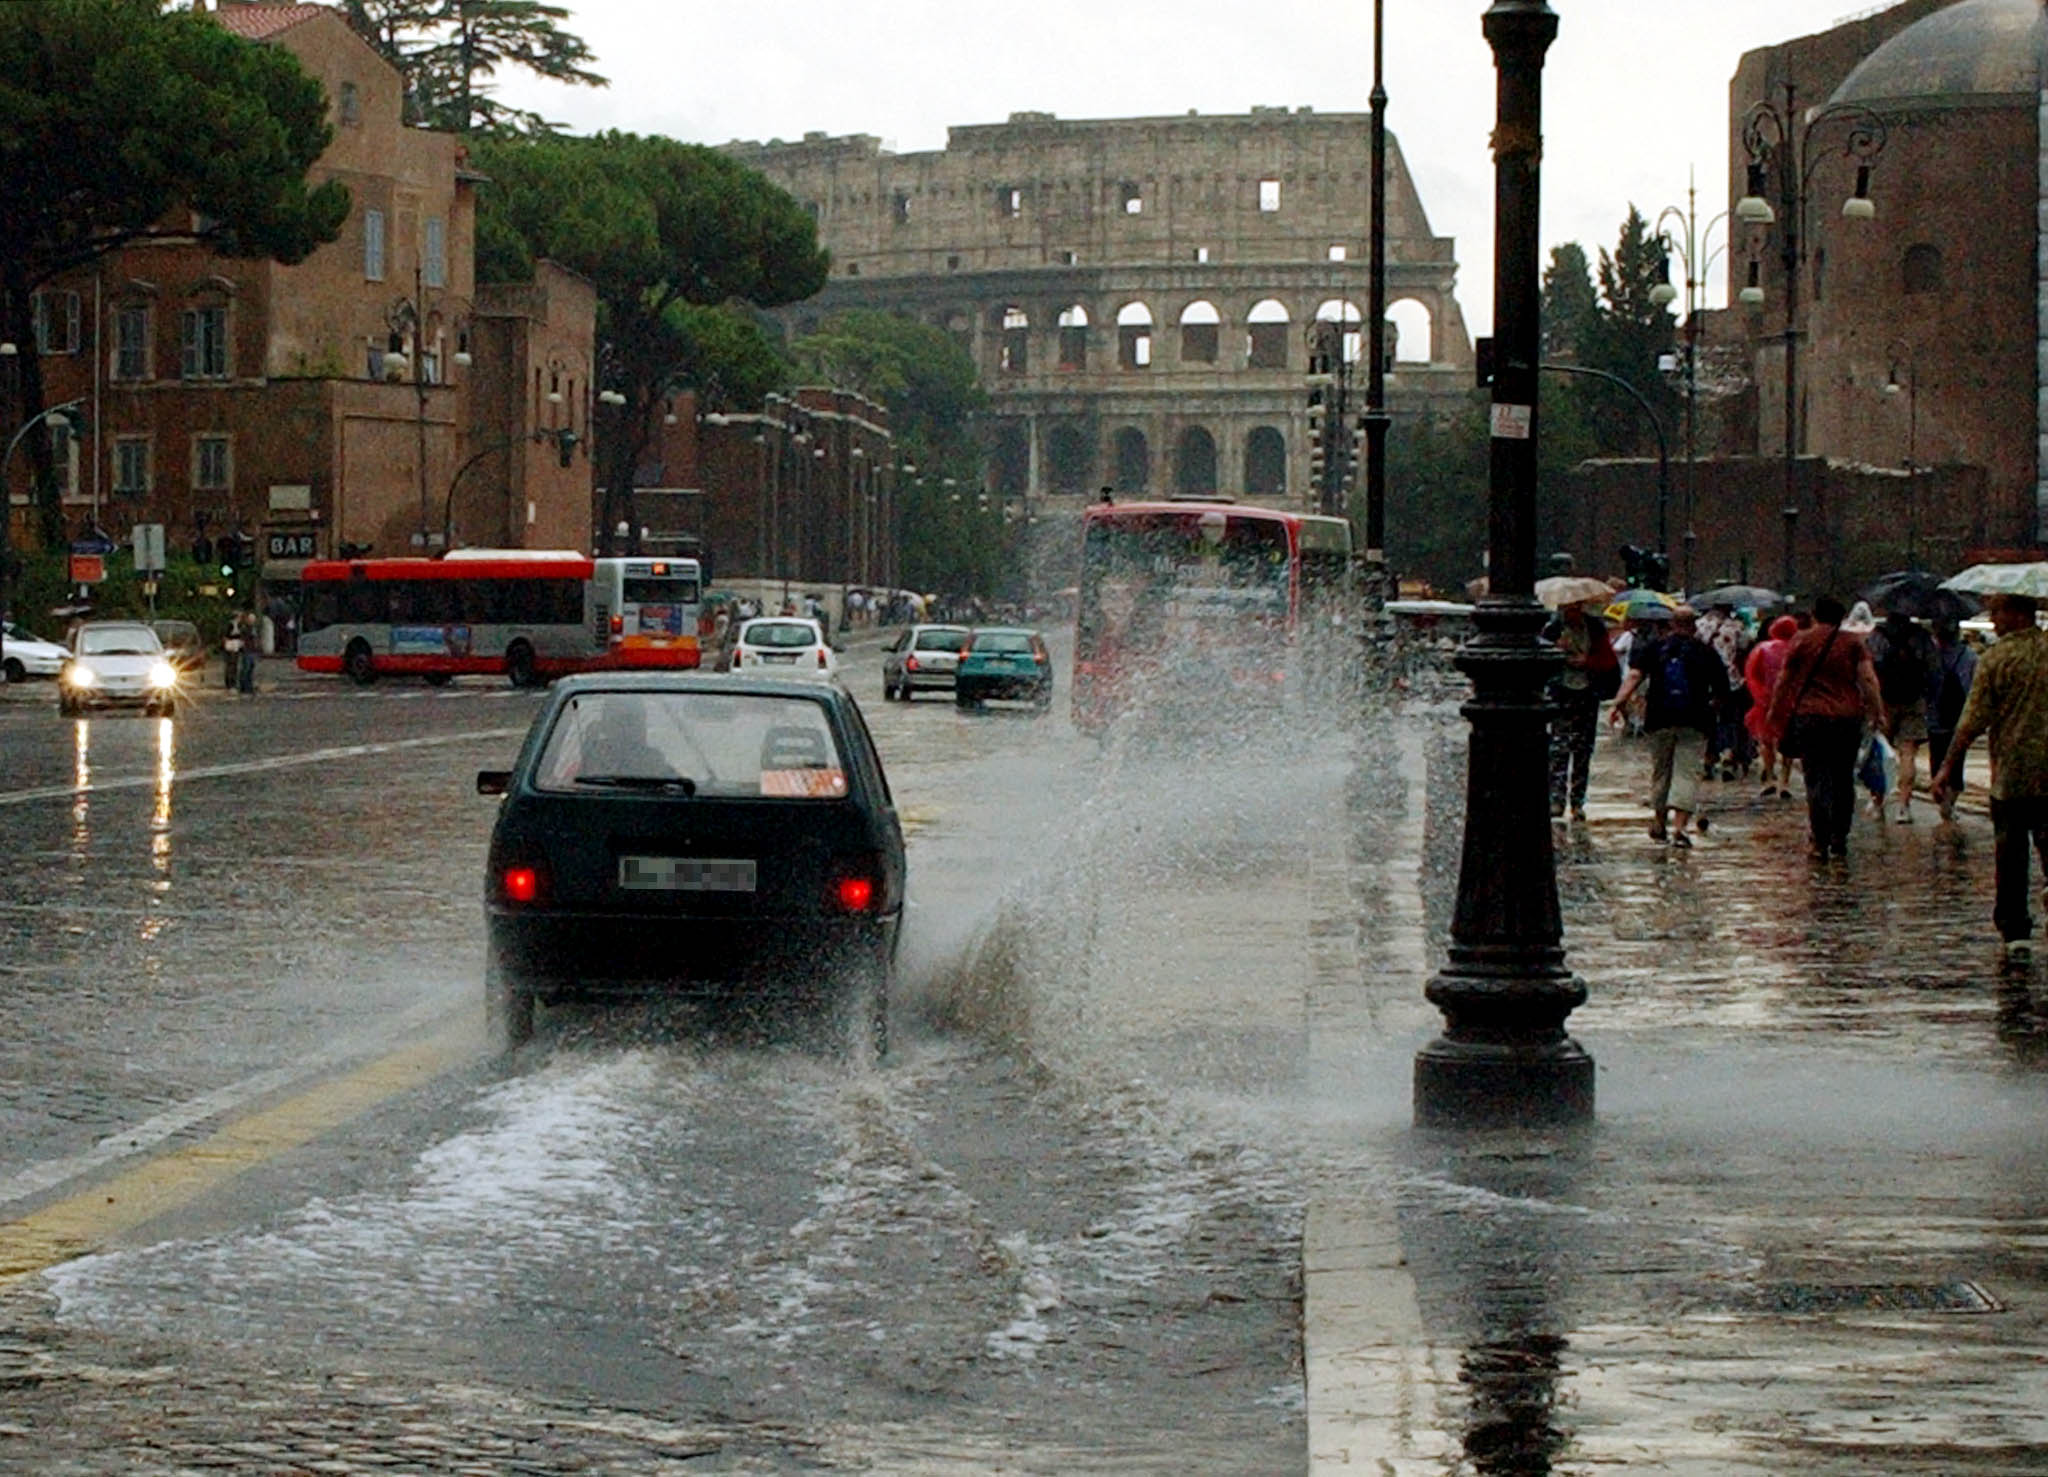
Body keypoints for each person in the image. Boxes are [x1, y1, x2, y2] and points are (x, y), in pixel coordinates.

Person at [1933, 594, 2048, 962]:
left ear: (2017, 614)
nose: (1993, 620)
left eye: (1997, 613)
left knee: (2011, 853)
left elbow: (1972, 719)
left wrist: (1948, 766)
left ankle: (2015, 929)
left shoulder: (1996, 659)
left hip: (2013, 774)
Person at [1764, 594, 1885, 860]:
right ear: (1842, 616)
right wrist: (1877, 712)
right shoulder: (1853, 644)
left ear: (1815, 614)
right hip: (1847, 717)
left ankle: (1819, 840)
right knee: (1843, 779)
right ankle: (1839, 837)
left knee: (1816, 778)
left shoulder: (1801, 641)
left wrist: (1775, 711)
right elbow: (1867, 679)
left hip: (1811, 718)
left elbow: (1784, 680)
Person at [1609, 606, 1728, 847]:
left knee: (1661, 771)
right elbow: (1722, 692)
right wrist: (1712, 710)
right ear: (1693, 625)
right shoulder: (1705, 652)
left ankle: (1659, 822)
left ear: (1672, 624)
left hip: (1659, 719)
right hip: (1695, 720)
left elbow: (1634, 676)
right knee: (1686, 772)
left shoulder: (1655, 648)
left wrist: (1618, 703)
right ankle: (1680, 829)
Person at [1545, 597, 1619, 823]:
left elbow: (1607, 660)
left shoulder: (1595, 628)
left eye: (1576, 607)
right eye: (1568, 608)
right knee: (1559, 748)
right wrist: (1557, 652)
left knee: (1582, 749)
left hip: (1587, 693)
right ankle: (1557, 799)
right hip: (1562, 693)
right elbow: (1541, 659)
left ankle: (1577, 802)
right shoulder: (1552, 629)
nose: (1573, 612)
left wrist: (1588, 661)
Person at [1866, 606, 1937, 823]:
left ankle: (1878, 803)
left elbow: (1869, 668)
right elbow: (1933, 667)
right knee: (1908, 754)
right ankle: (1904, 806)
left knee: (1880, 754)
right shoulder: (1921, 636)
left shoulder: (1877, 636)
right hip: (1913, 699)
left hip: (1884, 701)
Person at [1925, 616, 1979, 822]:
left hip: (1935, 717)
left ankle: (1940, 795)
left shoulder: (1931, 656)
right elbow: (1974, 687)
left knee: (1937, 758)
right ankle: (1951, 800)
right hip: (1960, 717)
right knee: (1957, 762)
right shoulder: (1970, 656)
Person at [1744, 615, 1800, 798]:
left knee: (1766, 741)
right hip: (1791, 702)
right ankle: (1785, 780)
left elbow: (1751, 675)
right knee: (1788, 742)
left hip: (1764, 702)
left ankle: (1769, 777)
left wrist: (1760, 697)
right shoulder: (1797, 649)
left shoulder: (1761, 649)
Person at [234, 608, 259, 695]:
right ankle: (244, 686)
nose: (252, 621)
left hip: (252, 650)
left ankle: (248, 686)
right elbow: (243, 638)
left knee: (250, 669)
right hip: (247, 650)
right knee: (246, 669)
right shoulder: (245, 629)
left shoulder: (253, 628)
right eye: (251, 619)